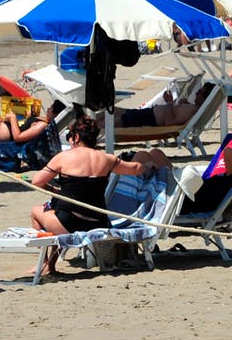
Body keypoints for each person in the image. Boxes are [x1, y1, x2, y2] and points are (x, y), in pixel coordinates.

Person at [30, 117, 154, 274]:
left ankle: (48, 263)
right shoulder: (107, 158)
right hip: (98, 222)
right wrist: (150, 165)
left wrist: (54, 191)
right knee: (56, 212)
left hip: (69, 223)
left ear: (76, 137)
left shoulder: (64, 157)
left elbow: (36, 181)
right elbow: (135, 168)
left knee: (37, 211)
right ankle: (49, 264)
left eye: (70, 137)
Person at [112, 83, 213, 128]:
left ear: (205, 98)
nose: (196, 93)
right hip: (149, 114)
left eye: (199, 92)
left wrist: (169, 103)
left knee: (116, 119)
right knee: (116, 111)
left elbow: (169, 124)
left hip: (149, 119)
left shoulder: (193, 111)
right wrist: (181, 104)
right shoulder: (194, 108)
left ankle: (97, 127)